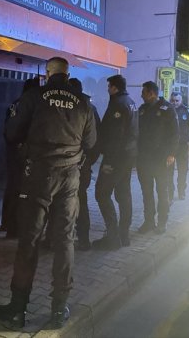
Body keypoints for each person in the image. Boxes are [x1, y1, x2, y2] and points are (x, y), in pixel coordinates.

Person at [0, 57, 97, 330]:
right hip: (70, 178)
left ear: (47, 73)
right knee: (64, 241)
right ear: (68, 74)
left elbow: (11, 132)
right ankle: (59, 308)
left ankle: (18, 309)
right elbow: (91, 142)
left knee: (29, 240)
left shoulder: (34, 97)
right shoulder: (83, 101)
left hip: (38, 175)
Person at [92, 75, 138, 250]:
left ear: (115, 88)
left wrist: (108, 160)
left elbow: (116, 136)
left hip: (116, 158)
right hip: (127, 157)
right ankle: (123, 235)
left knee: (101, 193)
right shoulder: (130, 101)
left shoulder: (118, 104)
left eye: (109, 86)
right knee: (123, 194)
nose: (107, 89)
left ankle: (113, 238)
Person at [136, 81, 178, 235]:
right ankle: (149, 222)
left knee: (162, 191)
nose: (141, 95)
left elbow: (175, 133)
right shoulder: (142, 110)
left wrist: (172, 154)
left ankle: (162, 222)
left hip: (161, 159)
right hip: (144, 159)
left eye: (144, 92)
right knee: (146, 192)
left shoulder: (167, 109)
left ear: (152, 93)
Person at [2, 77, 41, 239]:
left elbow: (8, 129)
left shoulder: (15, 103)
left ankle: (6, 223)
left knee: (12, 188)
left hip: (12, 152)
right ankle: (14, 228)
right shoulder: (30, 106)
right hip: (23, 153)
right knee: (22, 191)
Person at [69, 77, 101, 251]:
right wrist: (88, 161)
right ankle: (83, 239)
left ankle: (79, 238)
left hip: (76, 164)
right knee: (80, 200)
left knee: (74, 201)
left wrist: (85, 161)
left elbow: (93, 140)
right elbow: (97, 140)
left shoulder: (78, 107)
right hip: (83, 164)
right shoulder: (90, 108)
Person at [168, 92, 189, 201]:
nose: (175, 103)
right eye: (173, 100)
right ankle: (170, 193)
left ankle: (181, 192)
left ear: (181, 101)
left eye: (177, 100)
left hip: (182, 146)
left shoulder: (187, 111)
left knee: (183, 170)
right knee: (168, 171)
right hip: (170, 147)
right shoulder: (167, 111)